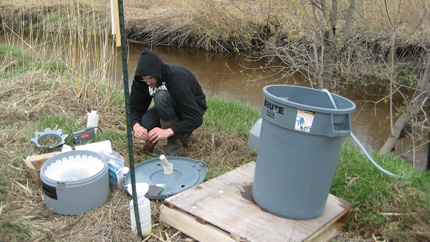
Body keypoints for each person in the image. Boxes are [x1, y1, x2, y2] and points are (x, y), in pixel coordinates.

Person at [130, 49, 207, 156]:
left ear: (157, 73)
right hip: (168, 107)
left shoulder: (178, 78)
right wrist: (136, 125)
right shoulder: (140, 82)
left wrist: (168, 131)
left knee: (161, 97)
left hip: (192, 109)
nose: (148, 83)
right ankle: (179, 133)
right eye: (144, 79)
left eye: (150, 79)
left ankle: (174, 148)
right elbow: (133, 108)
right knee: (145, 123)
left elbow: (196, 118)